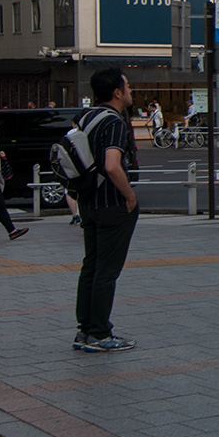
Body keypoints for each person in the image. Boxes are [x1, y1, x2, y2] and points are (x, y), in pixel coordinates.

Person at [74, 68, 140, 353]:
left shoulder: (85, 117)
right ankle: (101, 333)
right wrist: (129, 196)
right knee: (107, 271)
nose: (130, 90)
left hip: (88, 202)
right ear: (117, 92)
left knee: (91, 266)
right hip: (112, 203)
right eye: (127, 85)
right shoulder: (114, 122)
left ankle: (85, 330)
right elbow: (112, 164)